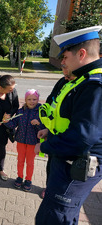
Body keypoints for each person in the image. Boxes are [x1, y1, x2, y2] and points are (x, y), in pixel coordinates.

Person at [34, 26, 102, 224]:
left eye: (64, 56)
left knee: (56, 216)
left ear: (81, 54)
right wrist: (50, 131)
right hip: (66, 158)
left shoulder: (94, 86)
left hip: (76, 164)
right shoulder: (81, 80)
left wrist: (45, 146)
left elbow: (82, 137)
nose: (61, 62)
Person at [40, 65, 77, 199]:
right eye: (64, 75)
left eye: (69, 76)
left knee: (66, 169)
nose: (66, 78)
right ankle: (49, 187)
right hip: (54, 135)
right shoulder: (62, 82)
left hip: (70, 140)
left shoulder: (84, 87)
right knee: (51, 164)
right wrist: (48, 130)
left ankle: (60, 193)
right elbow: (51, 101)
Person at [3, 89, 44, 192]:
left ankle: (28, 180)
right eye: (29, 99)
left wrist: (39, 124)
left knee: (30, 163)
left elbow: (45, 129)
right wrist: (6, 121)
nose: (32, 101)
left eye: (34, 99)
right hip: (21, 141)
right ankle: (20, 177)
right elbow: (13, 124)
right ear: (25, 100)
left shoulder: (41, 112)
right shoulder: (20, 111)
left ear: (38, 100)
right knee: (20, 161)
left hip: (33, 143)